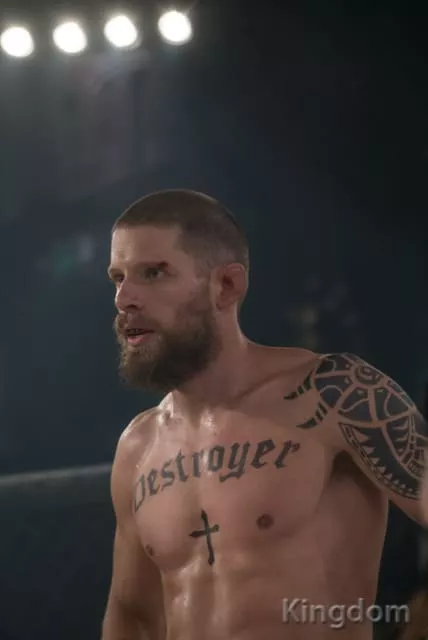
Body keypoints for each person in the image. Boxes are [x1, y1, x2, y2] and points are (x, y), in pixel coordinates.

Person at [102, 189, 428, 640]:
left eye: (154, 273)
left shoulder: (336, 394)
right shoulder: (138, 446)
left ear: (226, 285)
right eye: (118, 278)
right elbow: (133, 616)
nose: (125, 298)